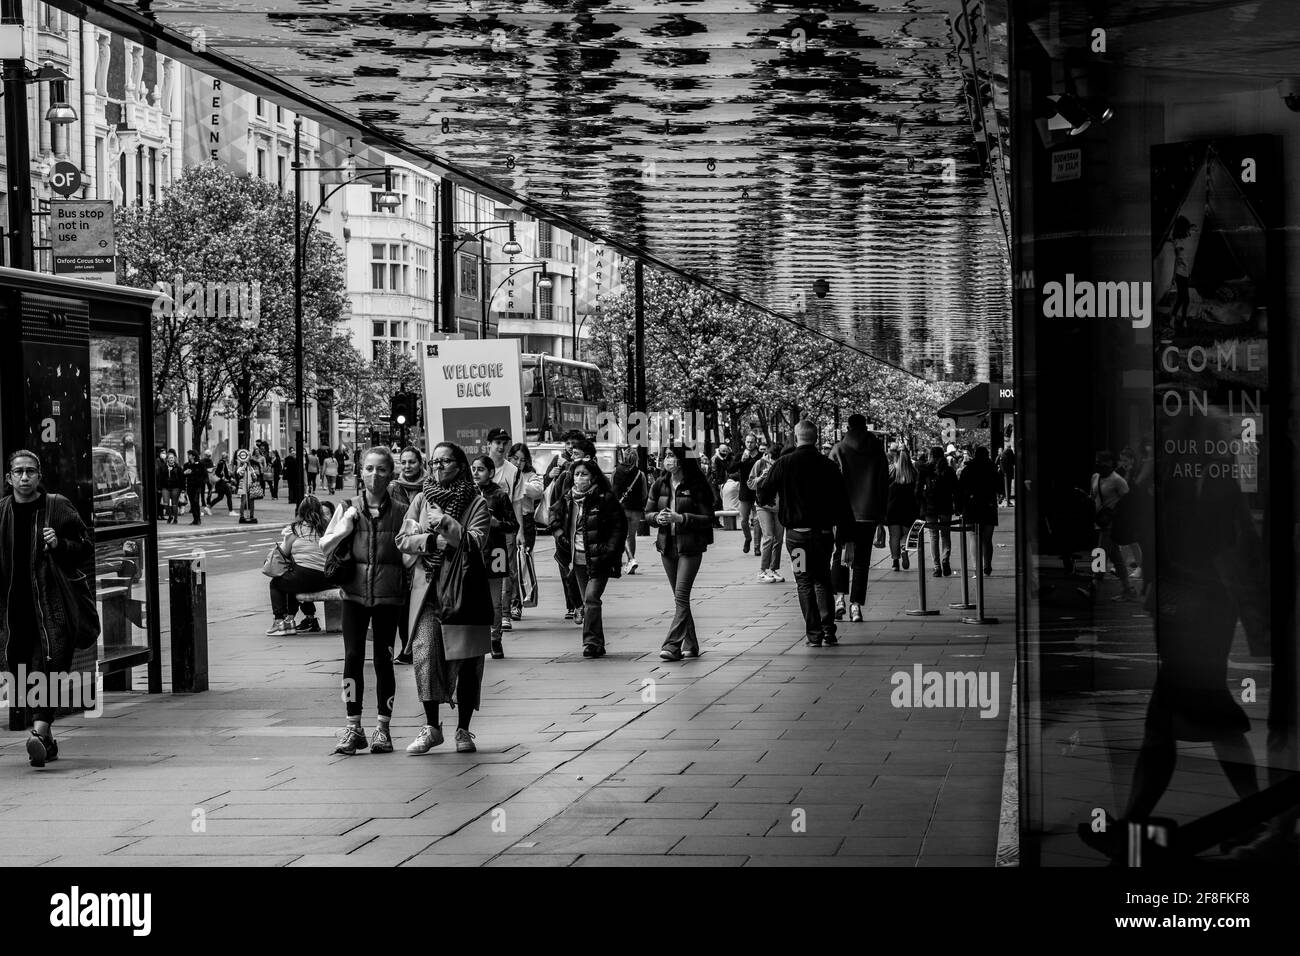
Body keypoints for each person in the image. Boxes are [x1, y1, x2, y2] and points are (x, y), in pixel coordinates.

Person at [0, 450, 95, 767]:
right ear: (9, 478)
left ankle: (39, 731)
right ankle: (47, 740)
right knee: (23, 674)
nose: (24, 477)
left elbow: (85, 548)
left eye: (30, 471)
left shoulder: (57, 507)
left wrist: (59, 545)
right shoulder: (2, 513)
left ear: (39, 476)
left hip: (53, 608)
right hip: (15, 612)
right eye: (18, 472)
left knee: (49, 668)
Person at [397, 442, 492, 755]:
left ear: (459, 465)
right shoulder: (422, 499)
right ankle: (432, 727)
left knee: (467, 661)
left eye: (445, 461)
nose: (438, 467)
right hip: (429, 592)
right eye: (434, 462)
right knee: (424, 654)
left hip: (464, 592)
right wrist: (430, 540)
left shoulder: (476, 502)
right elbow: (404, 539)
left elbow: (477, 542)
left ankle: (463, 729)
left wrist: (447, 523)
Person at [320, 447, 408, 756]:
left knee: (384, 661)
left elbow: (411, 553)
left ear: (390, 474)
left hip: (388, 598)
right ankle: (353, 727)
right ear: (361, 472)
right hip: (354, 597)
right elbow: (324, 546)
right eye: (369, 468)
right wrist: (344, 526)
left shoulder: (401, 511)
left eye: (381, 469)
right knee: (352, 658)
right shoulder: (348, 507)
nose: (375, 474)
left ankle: (382, 729)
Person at [757, 420, 854, 647]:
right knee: (822, 579)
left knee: (803, 581)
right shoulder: (828, 466)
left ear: (796, 436)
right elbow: (843, 504)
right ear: (816, 437)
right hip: (822, 535)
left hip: (797, 536)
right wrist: (847, 539)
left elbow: (763, 495)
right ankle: (829, 630)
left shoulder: (783, 464)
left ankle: (814, 634)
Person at [551, 459, 626, 657]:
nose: (579, 478)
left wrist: (609, 550)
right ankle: (597, 643)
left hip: (599, 558)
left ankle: (590, 642)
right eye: (576, 474)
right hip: (577, 559)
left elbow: (619, 526)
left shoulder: (604, 498)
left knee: (592, 597)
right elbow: (553, 515)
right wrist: (560, 536)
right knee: (588, 602)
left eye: (584, 474)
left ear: (593, 476)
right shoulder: (568, 498)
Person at [647, 446, 714, 661]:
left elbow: (708, 518)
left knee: (682, 595)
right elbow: (647, 513)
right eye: (665, 456)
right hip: (667, 545)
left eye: (671, 456)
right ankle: (691, 643)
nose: (667, 460)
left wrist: (681, 518)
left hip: (690, 546)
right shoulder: (660, 483)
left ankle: (672, 645)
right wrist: (657, 518)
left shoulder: (696, 485)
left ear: (682, 460)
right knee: (679, 598)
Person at [828, 413, 889, 623]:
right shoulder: (877, 450)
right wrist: (881, 519)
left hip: (843, 514)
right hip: (869, 514)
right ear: (866, 427)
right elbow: (883, 486)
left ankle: (839, 599)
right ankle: (856, 606)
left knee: (840, 556)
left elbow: (830, 484)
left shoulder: (838, 449)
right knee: (862, 561)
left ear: (848, 427)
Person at [470, 455, 519, 659]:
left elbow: (513, 524)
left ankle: (495, 638)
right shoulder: (467, 493)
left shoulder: (499, 495)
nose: (475, 472)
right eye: (473, 468)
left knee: (494, 601)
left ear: (491, 473)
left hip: (495, 552)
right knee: (472, 600)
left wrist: (497, 523)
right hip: (472, 552)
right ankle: (473, 639)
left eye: (480, 469)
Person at [266, 495, 331, 634]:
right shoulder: (326, 529)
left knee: (277, 584)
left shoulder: (295, 530)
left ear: (300, 511)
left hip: (303, 578)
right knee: (293, 578)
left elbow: (283, 552)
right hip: (327, 579)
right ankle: (299, 619)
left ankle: (280, 622)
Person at [546, 436, 593, 622]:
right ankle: (575, 605)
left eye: (576, 454)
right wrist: (559, 534)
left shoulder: (598, 481)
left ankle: (584, 606)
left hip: (590, 539)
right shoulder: (565, 476)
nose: (572, 457)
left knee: (587, 578)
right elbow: (553, 507)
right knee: (568, 571)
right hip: (567, 537)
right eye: (571, 454)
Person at [485, 428, 526, 632]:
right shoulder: (479, 467)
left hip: (504, 529)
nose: (501, 447)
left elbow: (517, 502)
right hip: (481, 531)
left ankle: (505, 614)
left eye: (504, 443)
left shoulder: (514, 471)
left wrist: (520, 531)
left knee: (505, 570)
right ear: (489, 445)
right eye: (497, 442)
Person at [1083, 449, 1134, 602]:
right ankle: (1128, 590)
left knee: (1099, 553)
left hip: (1111, 525)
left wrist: (1115, 513)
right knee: (1116, 558)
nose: (1099, 465)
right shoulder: (1095, 477)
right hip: (1099, 523)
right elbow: (1093, 497)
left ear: (1110, 463)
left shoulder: (1117, 480)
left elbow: (1129, 501)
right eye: (1097, 462)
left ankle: (1094, 586)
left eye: (1102, 462)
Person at [508, 442, 544, 619]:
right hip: (507, 522)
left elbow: (537, 492)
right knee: (508, 565)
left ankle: (517, 603)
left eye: (522, 460)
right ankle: (508, 603)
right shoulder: (503, 473)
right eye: (515, 458)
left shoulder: (530, 475)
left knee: (521, 563)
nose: (518, 462)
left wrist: (519, 480)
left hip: (526, 522)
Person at [957, 446, 999, 575]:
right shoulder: (992, 469)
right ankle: (987, 565)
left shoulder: (967, 470)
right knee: (987, 539)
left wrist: (959, 508)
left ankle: (977, 567)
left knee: (974, 538)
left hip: (971, 507)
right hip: (989, 506)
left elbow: (960, 491)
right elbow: (999, 487)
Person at [747, 441, 785, 583]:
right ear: (768, 454)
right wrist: (761, 477)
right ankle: (762, 571)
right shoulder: (760, 464)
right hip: (763, 506)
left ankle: (773, 569)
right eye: (773, 457)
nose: (775, 460)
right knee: (768, 537)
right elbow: (750, 484)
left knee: (779, 539)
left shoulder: (783, 463)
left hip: (780, 507)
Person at [917, 446, 958, 577]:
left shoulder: (925, 469)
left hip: (930, 507)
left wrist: (921, 504)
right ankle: (945, 558)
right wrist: (957, 507)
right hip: (945, 506)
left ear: (930, 456)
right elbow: (956, 490)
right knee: (945, 534)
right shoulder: (949, 470)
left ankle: (937, 567)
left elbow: (917, 490)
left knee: (933, 536)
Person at [612, 445, 647, 575]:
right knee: (631, 536)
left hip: (620, 508)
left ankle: (630, 560)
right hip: (636, 510)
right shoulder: (640, 474)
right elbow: (644, 494)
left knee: (621, 535)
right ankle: (629, 561)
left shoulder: (616, 471)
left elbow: (611, 489)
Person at [727, 434, 763, 558]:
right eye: (747, 442)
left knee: (757, 520)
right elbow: (730, 469)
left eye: (752, 442)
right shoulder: (740, 455)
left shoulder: (761, 456)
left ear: (756, 443)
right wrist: (741, 460)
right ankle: (748, 538)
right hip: (744, 492)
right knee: (743, 520)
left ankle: (757, 547)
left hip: (758, 492)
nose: (749, 444)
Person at [886, 450, 919, 571]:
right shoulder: (913, 473)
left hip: (892, 508)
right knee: (906, 534)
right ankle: (904, 549)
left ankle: (895, 561)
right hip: (909, 509)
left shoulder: (893, 472)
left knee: (894, 536)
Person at [181, 449, 209, 526]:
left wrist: (202, 482)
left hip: (197, 486)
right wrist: (184, 473)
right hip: (190, 486)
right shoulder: (186, 465)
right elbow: (182, 476)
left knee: (196, 501)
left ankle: (198, 519)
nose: (188, 456)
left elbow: (205, 476)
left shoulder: (200, 464)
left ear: (193, 456)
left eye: (189, 455)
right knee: (192, 503)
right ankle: (195, 519)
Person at [160, 451, 184, 524]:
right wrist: (159, 487)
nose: (171, 459)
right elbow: (160, 478)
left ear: (174, 459)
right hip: (165, 487)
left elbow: (181, 478)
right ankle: (170, 516)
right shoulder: (163, 467)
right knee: (165, 504)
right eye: (170, 458)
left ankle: (175, 519)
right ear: (167, 459)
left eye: (172, 458)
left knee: (174, 504)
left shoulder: (178, 467)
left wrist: (183, 489)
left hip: (175, 487)